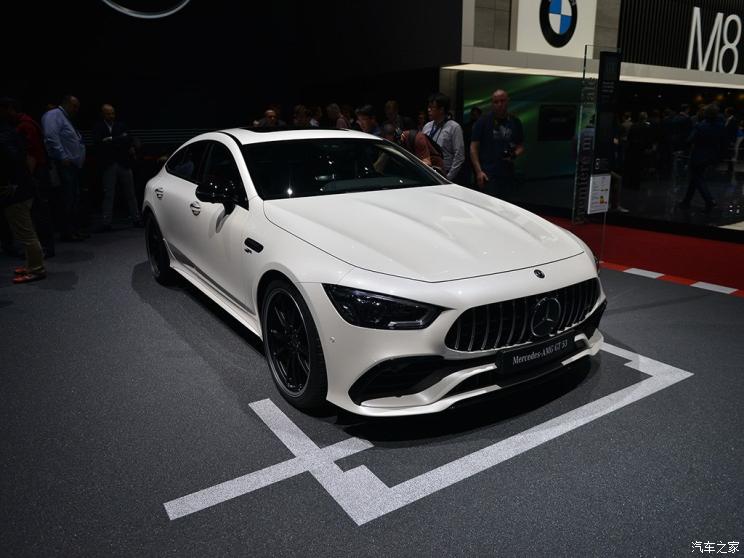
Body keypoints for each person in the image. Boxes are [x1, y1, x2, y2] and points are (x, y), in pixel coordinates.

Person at [2, 98, 55, 256]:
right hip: (34, 174)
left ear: (9, 109)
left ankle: (41, 252)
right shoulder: (23, 124)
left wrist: (25, 179)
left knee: (36, 214)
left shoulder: (25, 126)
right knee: (35, 213)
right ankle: (40, 250)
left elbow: (31, 154)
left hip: (34, 174)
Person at [0, 101, 46, 283]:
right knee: (24, 230)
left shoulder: (7, 135)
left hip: (15, 190)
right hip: (22, 187)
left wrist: (13, 183)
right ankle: (31, 265)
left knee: (26, 232)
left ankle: (36, 269)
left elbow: (15, 160)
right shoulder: (12, 132)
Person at [41, 95, 86, 241]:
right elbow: (50, 137)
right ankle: (67, 232)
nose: (77, 109)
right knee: (67, 199)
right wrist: (62, 157)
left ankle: (74, 230)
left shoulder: (64, 117)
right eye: (75, 106)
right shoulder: (53, 115)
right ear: (66, 104)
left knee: (74, 198)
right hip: (64, 164)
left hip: (73, 165)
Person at [92, 104, 142, 230]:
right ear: (103, 114)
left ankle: (136, 219)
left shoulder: (121, 125)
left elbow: (128, 140)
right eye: (108, 113)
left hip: (124, 163)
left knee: (131, 193)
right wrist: (119, 140)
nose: (111, 116)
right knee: (109, 194)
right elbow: (98, 144)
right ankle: (106, 222)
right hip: (108, 164)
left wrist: (110, 139)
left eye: (113, 113)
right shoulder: (98, 127)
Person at [470, 89, 524, 198]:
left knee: (508, 206)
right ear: (492, 103)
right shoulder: (483, 121)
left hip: (508, 173)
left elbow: (520, 147)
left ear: (508, 101)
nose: (500, 104)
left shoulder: (515, 121)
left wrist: (514, 155)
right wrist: (478, 171)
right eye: (496, 102)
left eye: (502, 101)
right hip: (488, 173)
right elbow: (473, 147)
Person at [679, 104, 725, 213]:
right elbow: (723, 142)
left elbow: (690, 140)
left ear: (706, 114)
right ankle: (686, 201)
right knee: (695, 178)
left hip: (698, 156)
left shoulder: (700, 126)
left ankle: (709, 200)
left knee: (697, 178)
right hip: (711, 156)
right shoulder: (720, 126)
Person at [422, 93, 464, 183]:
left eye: (432, 107)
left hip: (445, 173)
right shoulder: (427, 127)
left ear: (441, 109)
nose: (428, 110)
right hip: (428, 172)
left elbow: (459, 156)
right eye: (428, 107)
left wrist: (448, 178)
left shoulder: (454, 127)